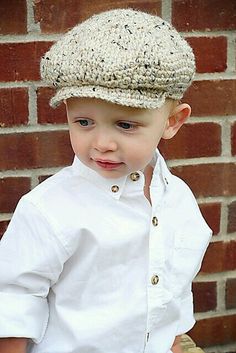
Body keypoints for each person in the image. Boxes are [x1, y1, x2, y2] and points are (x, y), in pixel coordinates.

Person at [0, 8, 212, 353]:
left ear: (173, 122)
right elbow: (12, 298)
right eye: (83, 122)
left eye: (125, 125)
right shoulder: (49, 209)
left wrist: (171, 339)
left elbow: (174, 284)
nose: (101, 143)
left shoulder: (179, 200)